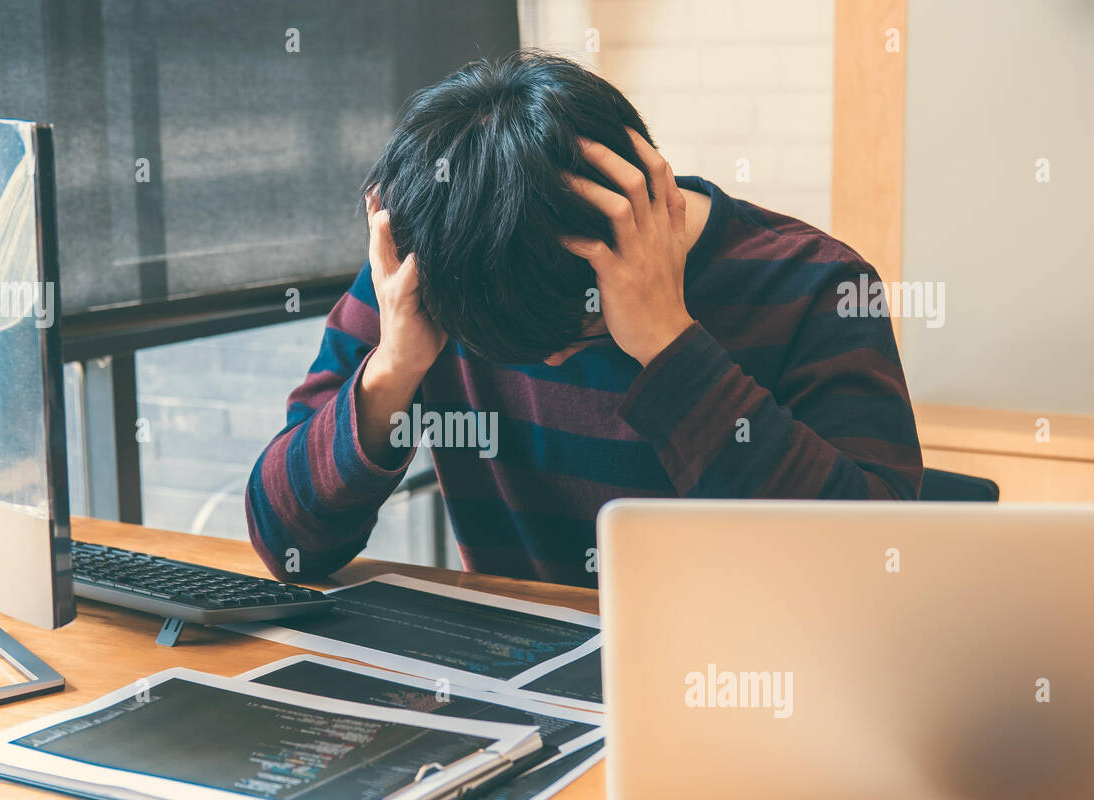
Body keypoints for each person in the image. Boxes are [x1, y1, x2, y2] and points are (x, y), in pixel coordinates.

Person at [246, 51, 922, 588]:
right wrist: (392, 371)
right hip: (520, 695)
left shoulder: (816, 284)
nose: (548, 364)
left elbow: (872, 572)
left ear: (646, 198)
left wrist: (668, 345)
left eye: (578, 332)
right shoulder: (436, 270)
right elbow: (287, 546)